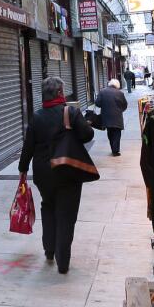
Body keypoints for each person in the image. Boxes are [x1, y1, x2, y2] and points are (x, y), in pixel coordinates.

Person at [18, 76, 94, 274]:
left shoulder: (37, 116)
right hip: (68, 170)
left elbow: (28, 145)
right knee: (66, 215)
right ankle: (63, 262)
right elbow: (87, 135)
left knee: (49, 207)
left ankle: (49, 250)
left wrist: (23, 168)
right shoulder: (71, 112)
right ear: (60, 92)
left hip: (43, 173)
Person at [96, 79, 129, 156]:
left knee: (110, 132)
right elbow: (124, 105)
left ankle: (113, 148)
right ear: (117, 85)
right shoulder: (120, 93)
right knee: (117, 133)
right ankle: (115, 150)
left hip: (106, 116)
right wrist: (120, 110)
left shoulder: (102, 92)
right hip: (117, 117)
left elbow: (97, 103)